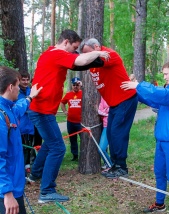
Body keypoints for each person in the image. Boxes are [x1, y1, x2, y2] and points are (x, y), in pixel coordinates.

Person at [27, 29, 110, 203]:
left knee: (51, 145)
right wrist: (98, 52)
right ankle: (46, 191)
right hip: (41, 110)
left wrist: (97, 62)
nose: (75, 51)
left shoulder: (50, 54)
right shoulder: (57, 53)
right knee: (58, 148)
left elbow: (78, 64)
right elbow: (79, 61)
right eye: (74, 47)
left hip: (42, 110)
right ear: (66, 42)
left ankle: (35, 174)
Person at [121, 60, 169, 214]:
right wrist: (137, 91)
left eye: (166, 74)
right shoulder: (167, 89)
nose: (164, 77)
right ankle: (160, 203)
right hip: (161, 138)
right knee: (159, 172)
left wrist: (140, 85)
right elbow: (154, 100)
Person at [0, 66, 41, 214]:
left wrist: (31, 98)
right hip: (7, 189)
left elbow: (18, 107)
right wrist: (7, 194)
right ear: (10, 87)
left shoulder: (7, 108)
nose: (20, 90)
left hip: (13, 186)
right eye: (18, 86)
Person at [80, 38, 138, 179]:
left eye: (89, 53)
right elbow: (81, 63)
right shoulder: (93, 58)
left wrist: (87, 57)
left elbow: (97, 61)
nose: (88, 57)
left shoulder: (109, 54)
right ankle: (114, 164)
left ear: (97, 46)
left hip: (125, 99)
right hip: (114, 103)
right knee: (111, 134)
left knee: (118, 133)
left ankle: (121, 166)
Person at [60, 77, 83, 161]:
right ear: (72, 85)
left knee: (83, 139)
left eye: (77, 85)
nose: (75, 86)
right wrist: (65, 111)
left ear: (80, 85)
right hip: (70, 121)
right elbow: (62, 103)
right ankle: (75, 155)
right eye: (74, 85)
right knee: (72, 139)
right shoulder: (68, 94)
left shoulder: (83, 93)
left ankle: (83, 154)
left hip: (80, 121)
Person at [17, 71, 35, 175]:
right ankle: (21, 168)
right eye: (23, 80)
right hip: (20, 125)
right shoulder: (16, 91)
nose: (25, 82)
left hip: (31, 124)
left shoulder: (31, 91)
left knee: (29, 146)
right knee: (22, 147)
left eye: (27, 79)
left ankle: (27, 166)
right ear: (19, 80)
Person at [98, 97, 112, 169]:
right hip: (106, 126)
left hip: (116, 126)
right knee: (101, 148)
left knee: (115, 149)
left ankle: (116, 167)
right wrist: (108, 112)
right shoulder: (103, 97)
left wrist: (106, 111)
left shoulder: (115, 95)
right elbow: (99, 111)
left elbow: (115, 111)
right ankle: (110, 165)